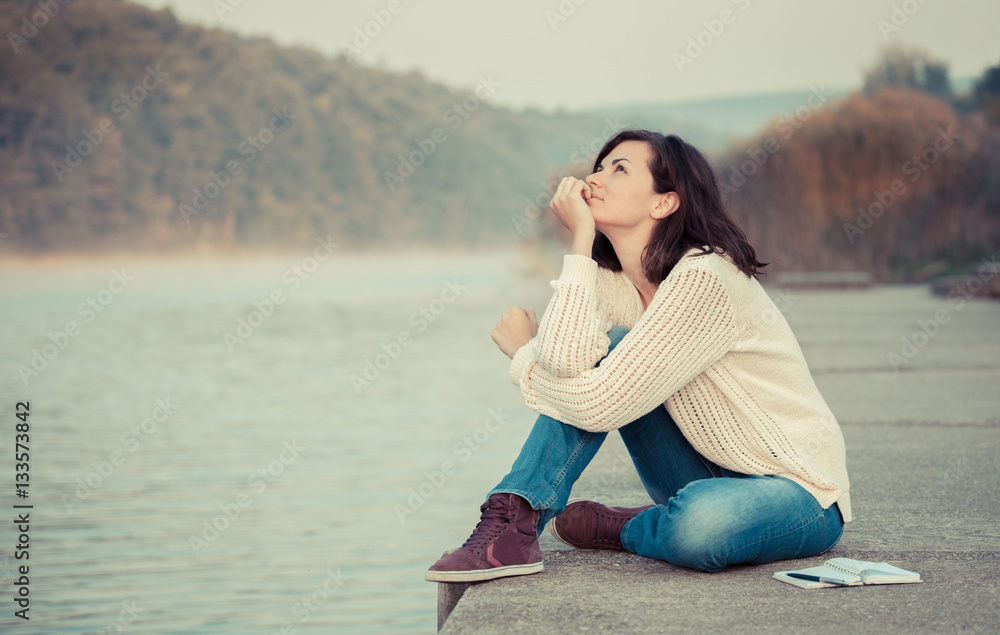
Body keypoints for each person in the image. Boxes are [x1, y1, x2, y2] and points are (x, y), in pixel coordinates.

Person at [425, 129, 851, 583]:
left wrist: (522, 357)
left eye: (620, 169)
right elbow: (567, 366)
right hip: (697, 470)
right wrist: (582, 244)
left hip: (799, 492)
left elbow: (600, 403)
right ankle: (515, 517)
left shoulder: (706, 276)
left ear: (663, 202)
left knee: (698, 528)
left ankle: (630, 527)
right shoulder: (611, 282)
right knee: (610, 352)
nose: (595, 178)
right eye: (600, 166)